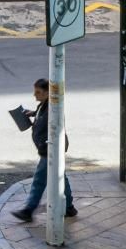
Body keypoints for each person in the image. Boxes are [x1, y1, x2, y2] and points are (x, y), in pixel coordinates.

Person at [13, 78, 76, 221]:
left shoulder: (53, 108)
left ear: (48, 93)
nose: (34, 95)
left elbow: (49, 119)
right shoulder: (45, 104)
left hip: (50, 149)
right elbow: (42, 114)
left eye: (38, 92)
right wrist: (33, 113)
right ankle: (69, 207)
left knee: (39, 180)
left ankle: (28, 210)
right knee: (61, 178)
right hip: (48, 148)